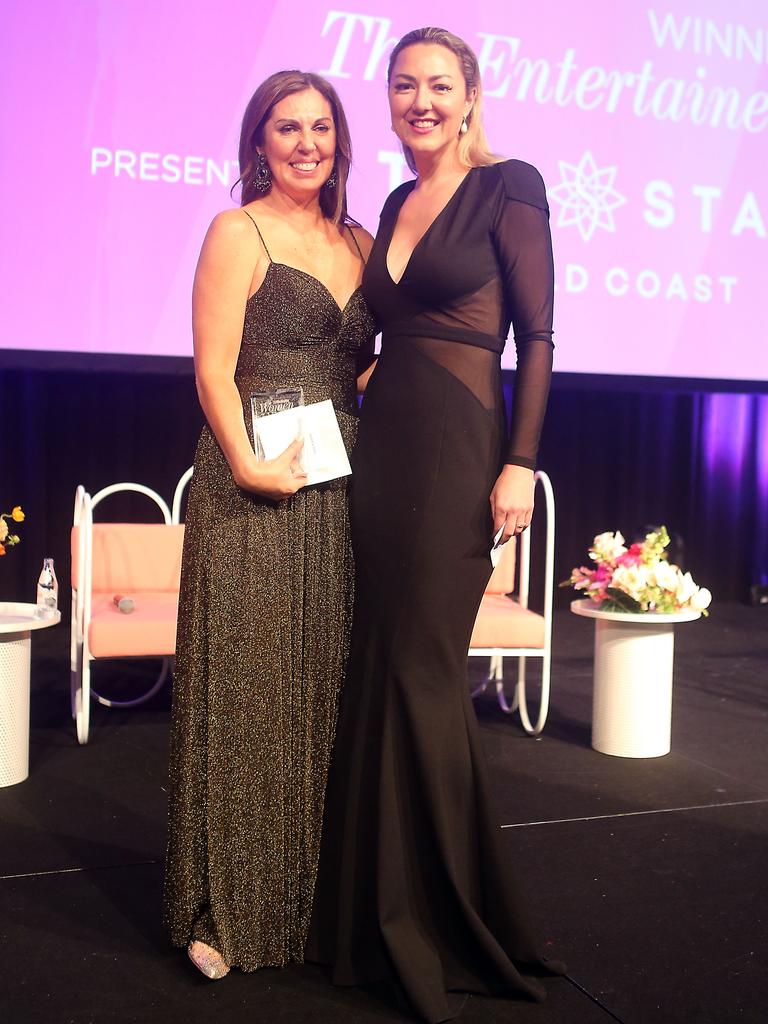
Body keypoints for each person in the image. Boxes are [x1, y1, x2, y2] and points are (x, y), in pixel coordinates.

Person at [307, 27, 563, 1022]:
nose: (420, 98)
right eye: (404, 84)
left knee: (421, 670)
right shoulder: (391, 202)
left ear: (470, 95)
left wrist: (520, 462)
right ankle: (375, 912)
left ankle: (445, 921)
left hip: (464, 446)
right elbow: (388, 333)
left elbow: (537, 336)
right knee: (384, 666)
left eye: (439, 84)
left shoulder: (513, 184)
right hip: (387, 448)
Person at [163, 70, 375, 980]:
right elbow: (212, 368)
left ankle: (311, 901)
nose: (304, 144)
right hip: (251, 482)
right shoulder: (235, 230)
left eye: (320, 128)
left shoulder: (363, 239)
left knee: (323, 690)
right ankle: (222, 904)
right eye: (286, 128)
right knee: (245, 687)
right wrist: (249, 462)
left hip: (340, 482)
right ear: (259, 142)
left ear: (339, 142)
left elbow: (363, 362)